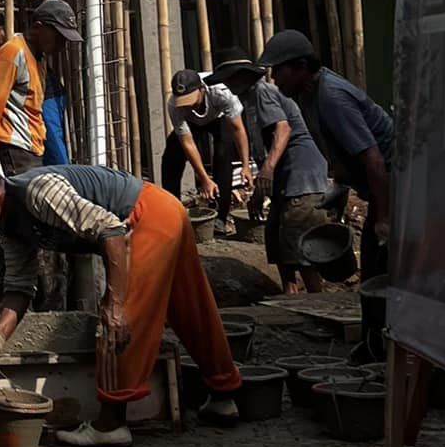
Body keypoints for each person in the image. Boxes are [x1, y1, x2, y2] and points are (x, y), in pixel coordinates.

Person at [0, 155, 242, 447]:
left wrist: (116, 302)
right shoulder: (11, 229)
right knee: (189, 306)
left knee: (116, 323)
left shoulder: (38, 192)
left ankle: (110, 426)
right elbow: (19, 287)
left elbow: (110, 229)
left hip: (144, 215)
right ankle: (224, 395)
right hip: (164, 211)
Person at [259, 32, 395, 279]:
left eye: (279, 69)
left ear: (300, 67)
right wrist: (341, 187)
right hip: (382, 187)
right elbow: (339, 149)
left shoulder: (332, 97)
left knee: (381, 268)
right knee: (374, 267)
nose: (274, 77)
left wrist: (385, 218)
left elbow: (373, 159)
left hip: (396, 184)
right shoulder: (306, 96)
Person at [213, 54, 331, 293]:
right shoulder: (247, 102)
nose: (227, 86)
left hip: (302, 175)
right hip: (285, 178)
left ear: (243, 78)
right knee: (276, 238)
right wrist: (260, 190)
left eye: (229, 80)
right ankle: (290, 295)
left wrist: (266, 171)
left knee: (300, 242)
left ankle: (316, 298)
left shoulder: (262, 92)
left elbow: (283, 129)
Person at [0, 0, 81, 178]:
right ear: (38, 27)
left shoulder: (38, 58)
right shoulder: (13, 53)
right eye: (58, 36)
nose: (61, 45)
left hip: (31, 148)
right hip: (15, 149)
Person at [162, 67, 253, 237]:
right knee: (171, 155)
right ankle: (171, 213)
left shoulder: (221, 91)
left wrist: (246, 166)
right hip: (192, 123)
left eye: (190, 99)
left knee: (223, 153)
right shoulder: (173, 105)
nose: (187, 104)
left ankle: (220, 216)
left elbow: (238, 129)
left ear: (201, 89)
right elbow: (187, 143)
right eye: (182, 100)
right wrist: (204, 179)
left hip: (218, 118)